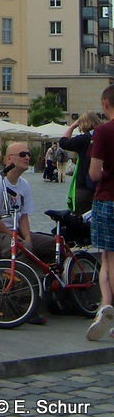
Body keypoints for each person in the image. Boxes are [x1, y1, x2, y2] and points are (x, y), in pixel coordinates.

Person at [0, 141, 56, 319]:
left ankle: (57, 296)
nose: (27, 157)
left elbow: (24, 216)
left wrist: (28, 239)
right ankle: (24, 307)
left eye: (28, 154)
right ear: (9, 159)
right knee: (21, 250)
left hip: (14, 231)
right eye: (23, 154)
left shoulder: (24, 185)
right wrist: (18, 239)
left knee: (55, 246)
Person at [85, 85, 114, 340]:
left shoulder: (103, 131)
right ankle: (106, 307)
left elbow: (93, 174)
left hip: (108, 199)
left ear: (105, 103)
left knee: (108, 260)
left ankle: (108, 309)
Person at [59, 112, 100, 215]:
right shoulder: (103, 135)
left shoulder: (84, 139)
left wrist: (72, 126)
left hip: (84, 185)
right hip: (103, 186)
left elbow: (63, 142)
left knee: (82, 218)